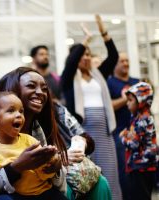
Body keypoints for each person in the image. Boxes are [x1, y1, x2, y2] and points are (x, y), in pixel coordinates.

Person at [0, 67, 112, 200]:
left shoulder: (38, 124)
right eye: (31, 86)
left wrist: (55, 167)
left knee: (101, 183)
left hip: (41, 193)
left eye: (44, 88)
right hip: (7, 195)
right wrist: (15, 167)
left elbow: (56, 184)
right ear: (11, 90)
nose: (40, 93)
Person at [60, 14, 122, 199]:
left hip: (104, 130)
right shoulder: (69, 78)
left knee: (109, 171)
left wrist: (103, 32)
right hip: (82, 131)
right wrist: (85, 39)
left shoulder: (98, 74)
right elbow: (72, 62)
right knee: (86, 171)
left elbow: (113, 57)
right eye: (83, 54)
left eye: (88, 54)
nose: (86, 57)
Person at [0, 91, 66, 200]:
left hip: (43, 192)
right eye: (11, 110)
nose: (19, 115)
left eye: (21, 111)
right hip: (17, 196)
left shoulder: (30, 140)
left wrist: (51, 162)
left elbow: (43, 174)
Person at [107, 52, 139, 200]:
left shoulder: (136, 81)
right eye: (122, 61)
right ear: (115, 65)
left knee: (142, 172)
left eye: (127, 60)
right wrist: (127, 97)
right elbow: (109, 106)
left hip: (139, 133)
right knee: (125, 174)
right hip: (120, 134)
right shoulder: (110, 83)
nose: (125, 64)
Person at [119, 82, 157, 200]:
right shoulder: (139, 118)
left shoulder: (142, 120)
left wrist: (122, 137)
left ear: (141, 101)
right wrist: (128, 134)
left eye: (130, 100)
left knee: (140, 196)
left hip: (141, 167)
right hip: (142, 166)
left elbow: (134, 143)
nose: (127, 103)